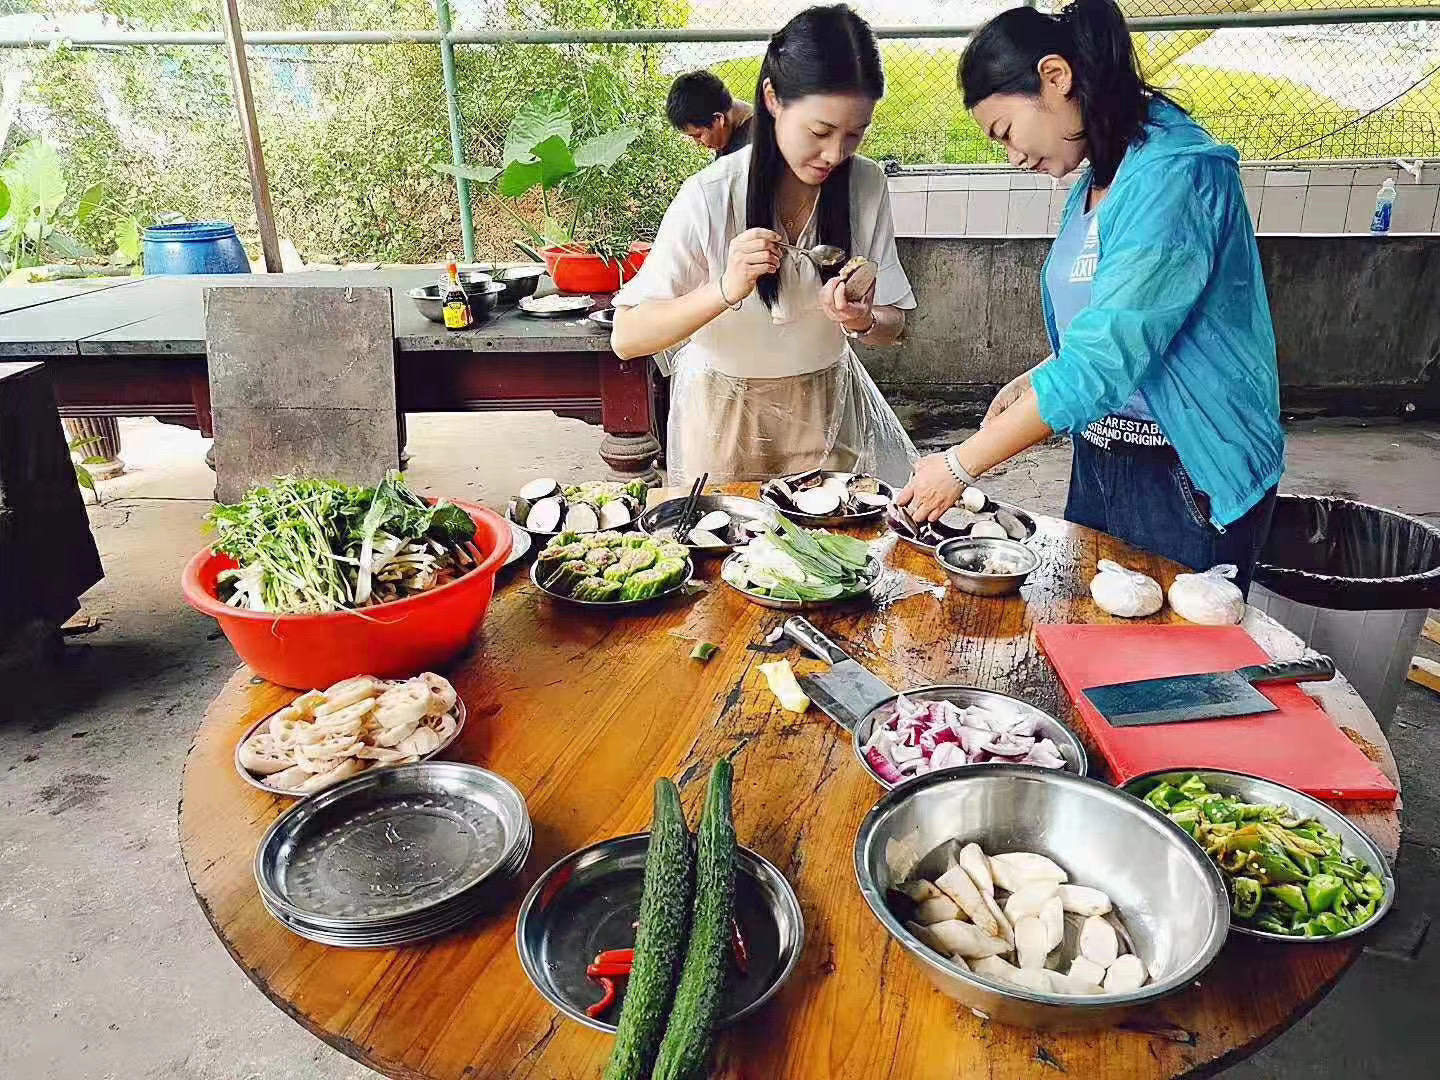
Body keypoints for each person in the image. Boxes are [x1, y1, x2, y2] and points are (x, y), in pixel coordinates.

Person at [897, 0, 1284, 592]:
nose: (1014, 157)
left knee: (1176, 675)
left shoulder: (1171, 175)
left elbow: (1108, 357)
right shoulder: (1098, 177)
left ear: (1056, 78)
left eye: (1006, 132)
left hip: (1183, 475)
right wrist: (1042, 373)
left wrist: (958, 463)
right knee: (1095, 649)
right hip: (1102, 457)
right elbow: (1121, 322)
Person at [613, 5, 917, 486]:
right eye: (819, 132)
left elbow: (895, 325)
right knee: (730, 550)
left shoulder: (866, 184)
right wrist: (726, 288)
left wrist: (863, 319)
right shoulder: (710, 195)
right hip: (723, 416)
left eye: (855, 134)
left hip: (828, 406)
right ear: (773, 99)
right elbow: (627, 337)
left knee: (834, 552)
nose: (836, 154)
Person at [666, 70, 755, 158]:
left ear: (718, 119)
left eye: (698, 136)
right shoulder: (733, 116)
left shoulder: (752, 148)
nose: (698, 143)